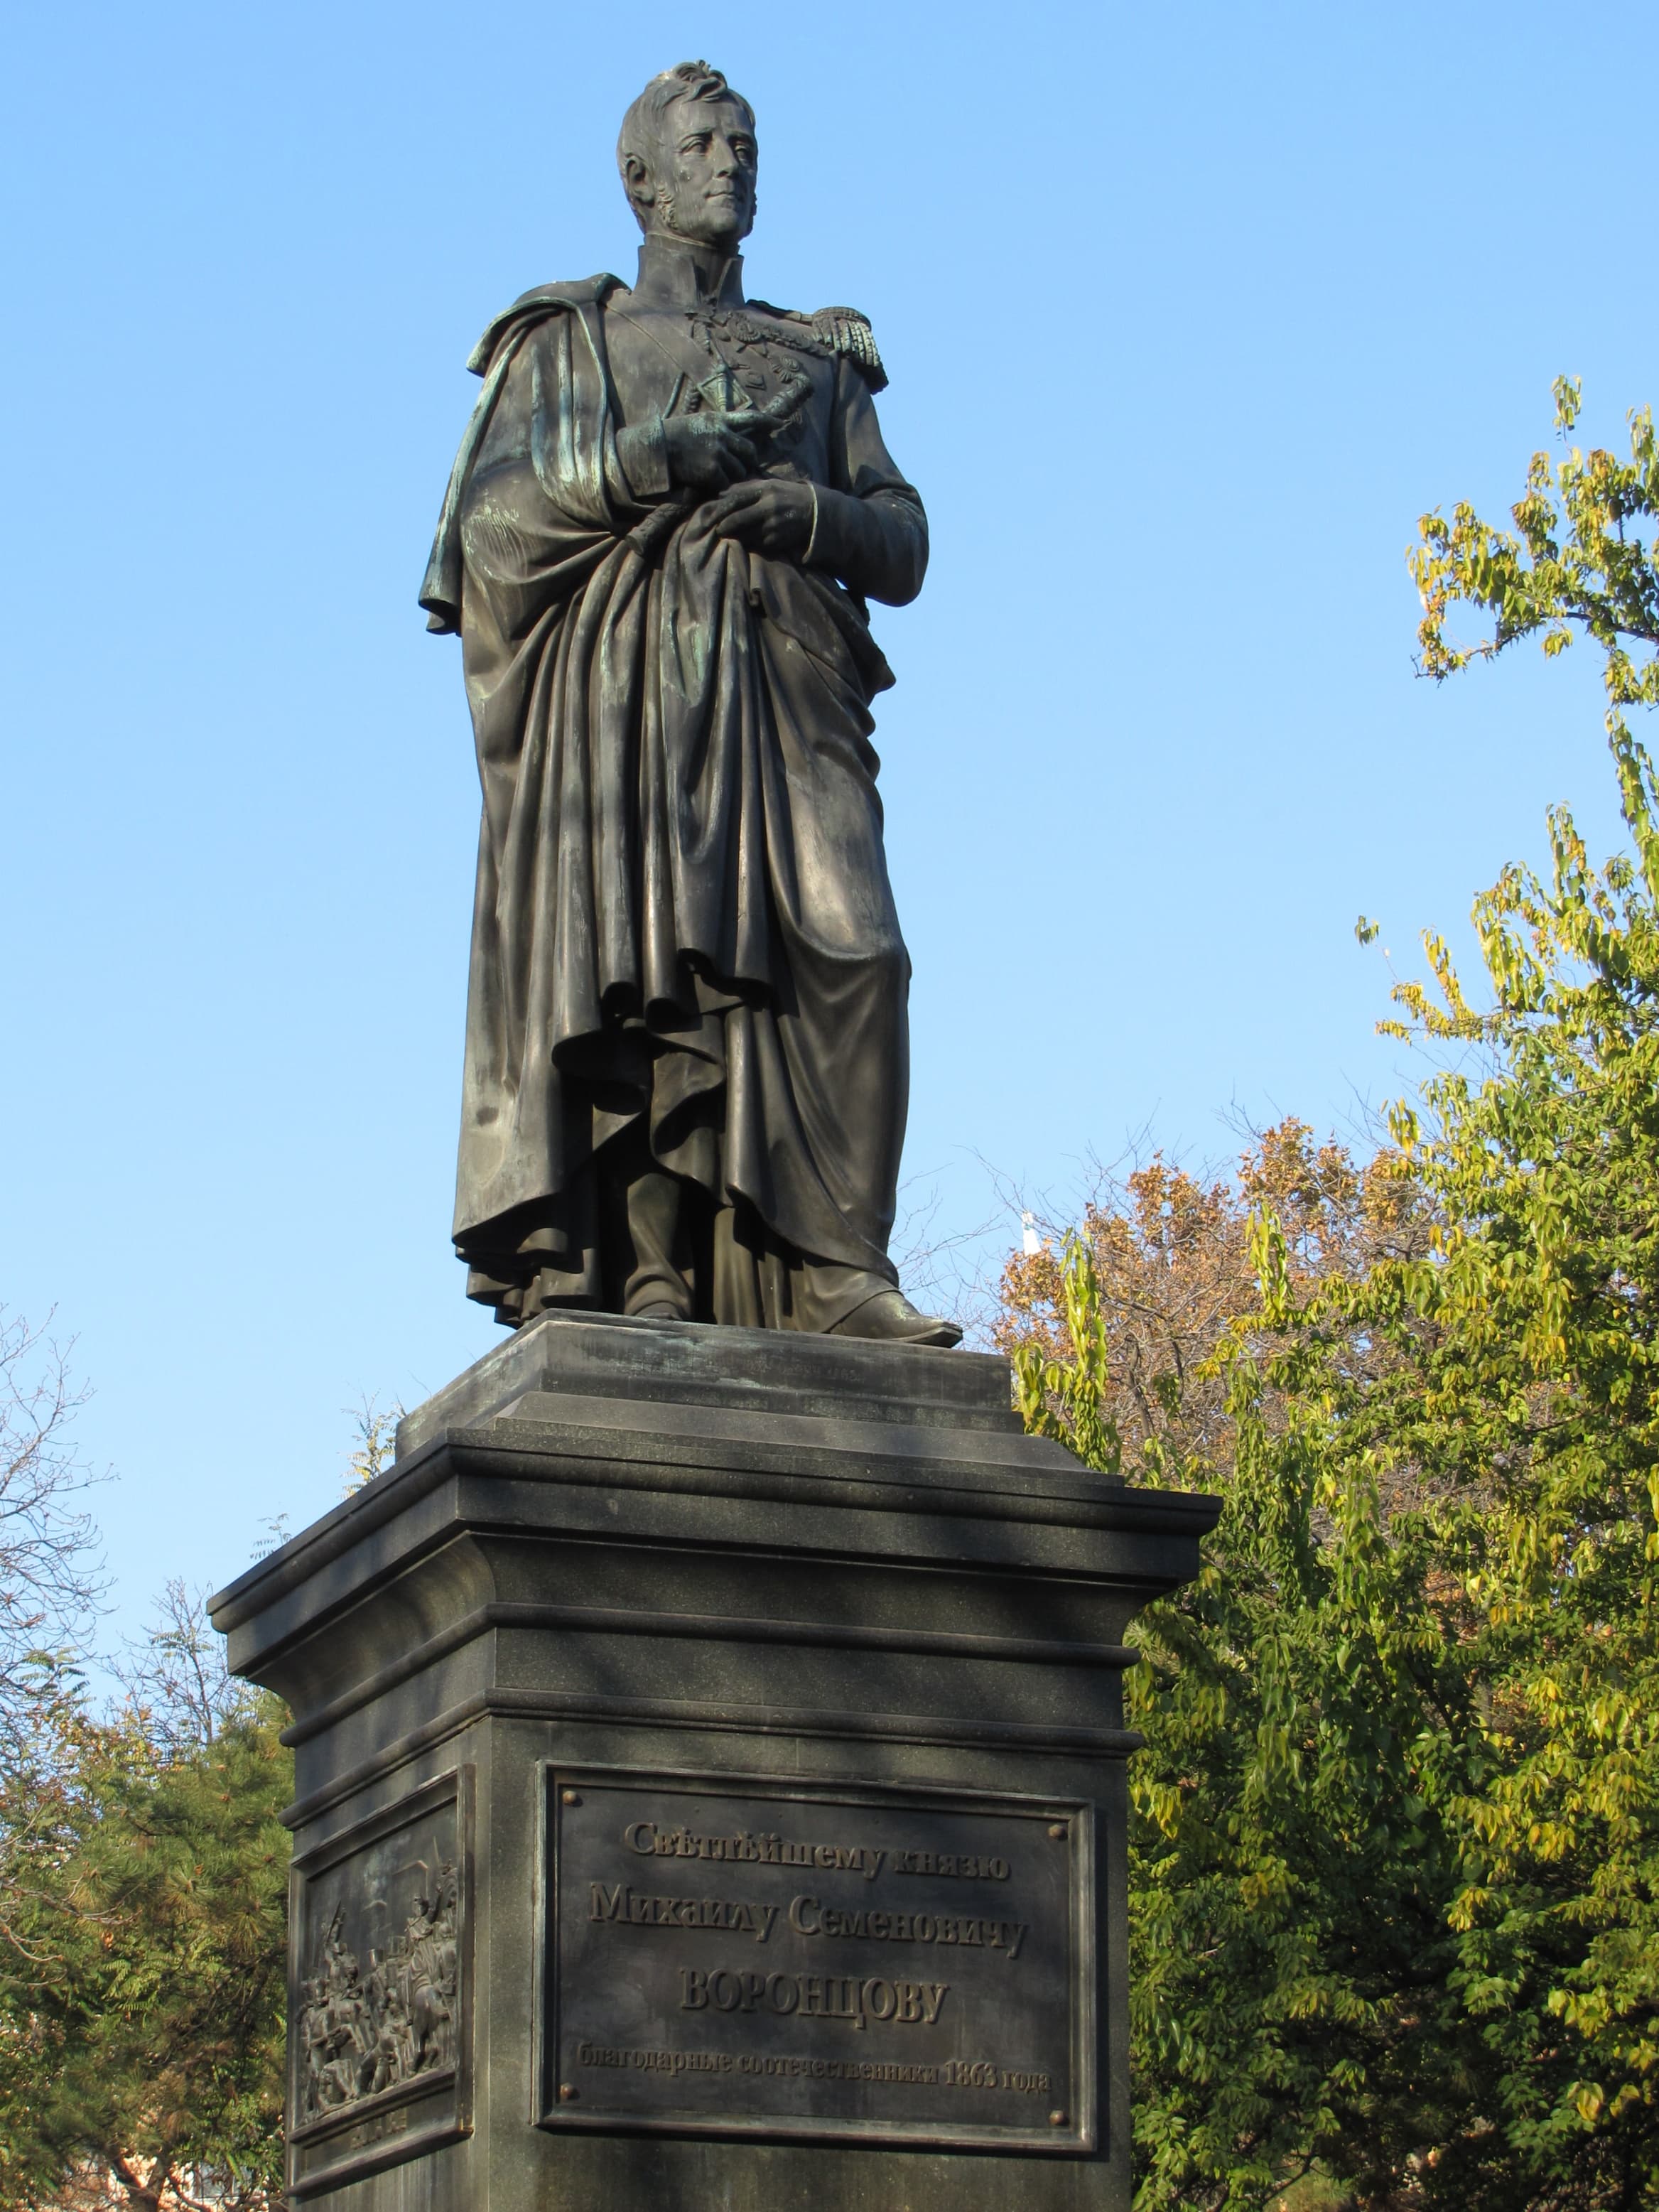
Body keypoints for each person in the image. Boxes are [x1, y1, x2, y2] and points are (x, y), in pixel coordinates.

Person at [422, 61, 958, 1345]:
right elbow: (484, 537)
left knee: (859, 950)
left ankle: (841, 1266)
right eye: (707, 143)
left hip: (789, 688)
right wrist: (642, 462)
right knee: (652, 960)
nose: (733, 162)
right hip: (626, 698)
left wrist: (813, 510)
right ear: (641, 177)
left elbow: (907, 538)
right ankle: (651, 1267)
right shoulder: (570, 344)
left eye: (748, 144)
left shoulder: (821, 356)